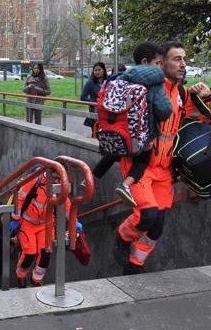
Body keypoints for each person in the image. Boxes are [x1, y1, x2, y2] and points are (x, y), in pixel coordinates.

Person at [114, 41, 211, 275]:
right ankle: (122, 238)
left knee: (157, 226)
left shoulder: (182, 94)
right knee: (147, 215)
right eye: (177, 59)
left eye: (184, 59)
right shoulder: (145, 90)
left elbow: (205, 117)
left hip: (165, 170)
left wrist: (207, 96)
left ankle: (134, 265)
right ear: (162, 63)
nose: (183, 64)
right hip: (140, 167)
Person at [91, 42, 172, 207]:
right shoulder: (155, 80)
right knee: (142, 159)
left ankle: (90, 178)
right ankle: (126, 185)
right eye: (158, 63)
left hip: (118, 128)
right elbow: (164, 111)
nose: (160, 67)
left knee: (115, 151)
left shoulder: (120, 77)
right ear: (145, 61)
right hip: (142, 134)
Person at [12, 171, 78, 287]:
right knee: (29, 254)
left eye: (59, 178)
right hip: (27, 222)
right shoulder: (34, 179)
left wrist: (74, 222)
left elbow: (66, 204)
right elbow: (20, 197)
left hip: (46, 224)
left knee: (46, 253)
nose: (57, 181)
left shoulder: (59, 185)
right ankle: (21, 276)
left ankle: (36, 279)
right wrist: (16, 218)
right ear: (48, 173)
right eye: (55, 177)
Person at [80, 62, 107, 136]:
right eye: (95, 70)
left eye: (99, 70)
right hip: (95, 112)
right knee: (96, 134)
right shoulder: (90, 82)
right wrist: (94, 102)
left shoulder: (108, 81)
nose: (97, 72)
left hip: (107, 112)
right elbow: (83, 97)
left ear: (104, 70)